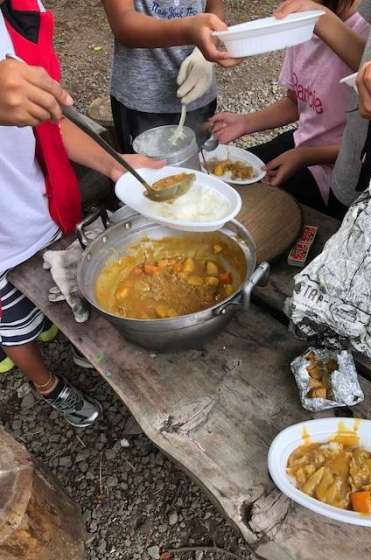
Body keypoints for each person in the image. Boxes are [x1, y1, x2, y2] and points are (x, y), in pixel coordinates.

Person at [0, 0, 163, 427]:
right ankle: (46, 384)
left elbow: (51, 119)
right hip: (2, 241)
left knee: (53, 293)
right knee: (13, 325)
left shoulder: (22, 9)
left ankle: (49, 325)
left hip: (42, 208)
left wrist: (113, 164)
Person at [209, 0, 368, 217]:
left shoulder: (367, 38)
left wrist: (304, 156)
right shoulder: (302, 23)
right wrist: (245, 123)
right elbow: (295, 102)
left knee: (256, 208)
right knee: (223, 181)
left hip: (342, 169)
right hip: (302, 143)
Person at [274, 0, 371, 210]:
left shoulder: (358, 28)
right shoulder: (307, 32)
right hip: (349, 169)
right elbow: (294, 101)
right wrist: (318, 16)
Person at [102, 0, 236, 153]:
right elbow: (123, 23)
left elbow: (215, 10)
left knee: (200, 162)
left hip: (199, 91)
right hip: (143, 100)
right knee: (145, 166)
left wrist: (203, 54)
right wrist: (188, 30)